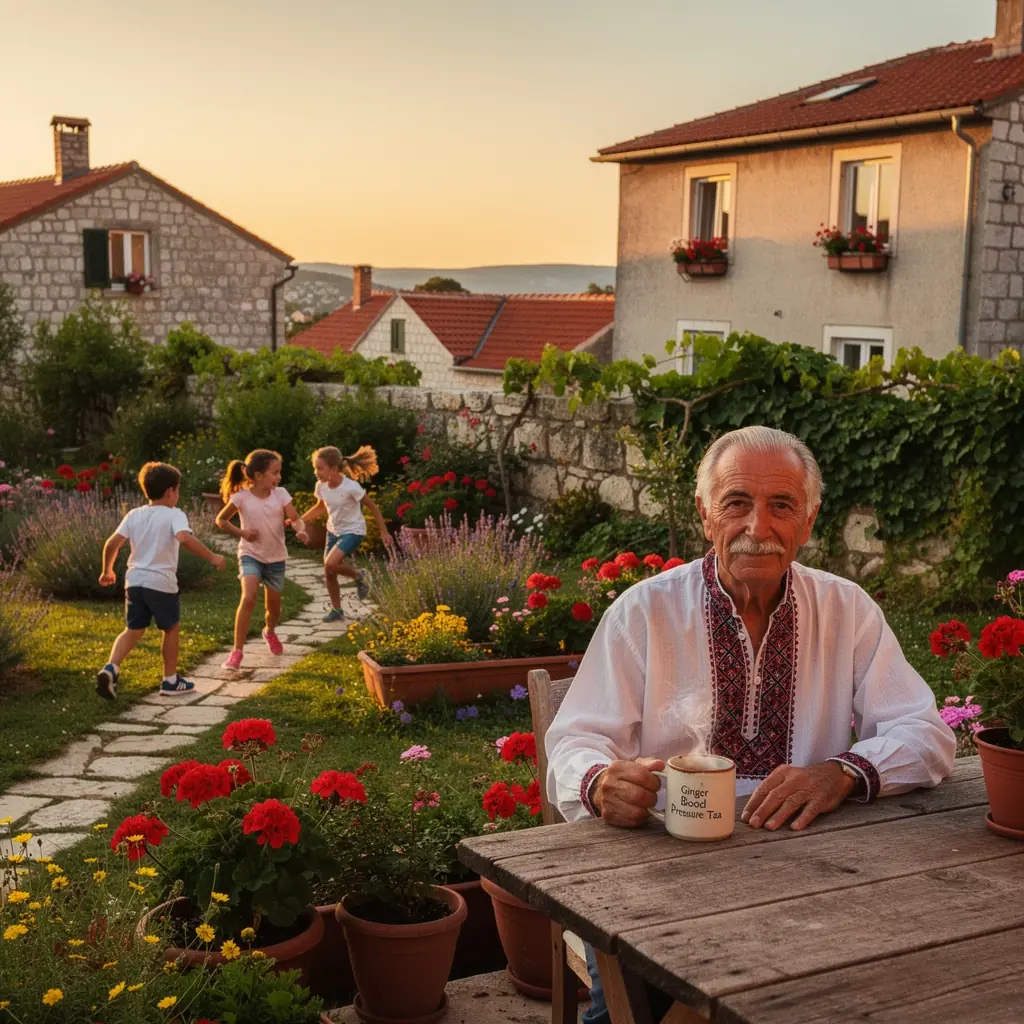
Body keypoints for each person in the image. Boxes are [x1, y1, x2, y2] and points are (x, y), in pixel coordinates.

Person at [544, 425, 956, 1024]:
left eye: (781, 506)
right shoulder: (645, 611)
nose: (758, 527)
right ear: (705, 515)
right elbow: (576, 740)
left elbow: (927, 734)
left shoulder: (846, 609)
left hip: (804, 874)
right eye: (736, 502)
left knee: (887, 976)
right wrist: (600, 782)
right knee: (634, 1000)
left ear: (808, 522)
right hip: (656, 878)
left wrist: (840, 774)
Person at [96, 461, 226, 700]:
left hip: (135, 581)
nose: (178, 495)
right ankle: (170, 680)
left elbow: (112, 543)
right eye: (178, 490)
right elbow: (184, 538)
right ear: (170, 491)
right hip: (161, 583)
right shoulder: (175, 514)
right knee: (171, 628)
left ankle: (110, 668)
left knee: (133, 629)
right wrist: (212, 557)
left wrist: (107, 571)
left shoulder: (134, 514)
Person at [215, 448, 307, 670]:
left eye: (279, 472)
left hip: (276, 558)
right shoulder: (241, 497)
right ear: (258, 475)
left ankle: (270, 631)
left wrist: (300, 529)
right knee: (248, 598)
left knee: (273, 610)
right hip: (250, 555)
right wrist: (243, 533)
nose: (279, 477)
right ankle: (237, 652)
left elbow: (295, 518)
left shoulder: (281, 494)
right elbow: (221, 520)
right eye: (274, 473)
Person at [297, 445, 391, 623]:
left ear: (334, 469)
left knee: (330, 563)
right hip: (333, 530)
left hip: (353, 531)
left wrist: (383, 530)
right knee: (329, 570)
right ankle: (337, 609)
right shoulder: (321, 486)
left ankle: (360, 576)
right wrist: (300, 520)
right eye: (315, 468)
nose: (316, 472)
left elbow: (373, 507)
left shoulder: (351, 487)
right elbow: (320, 507)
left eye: (320, 468)